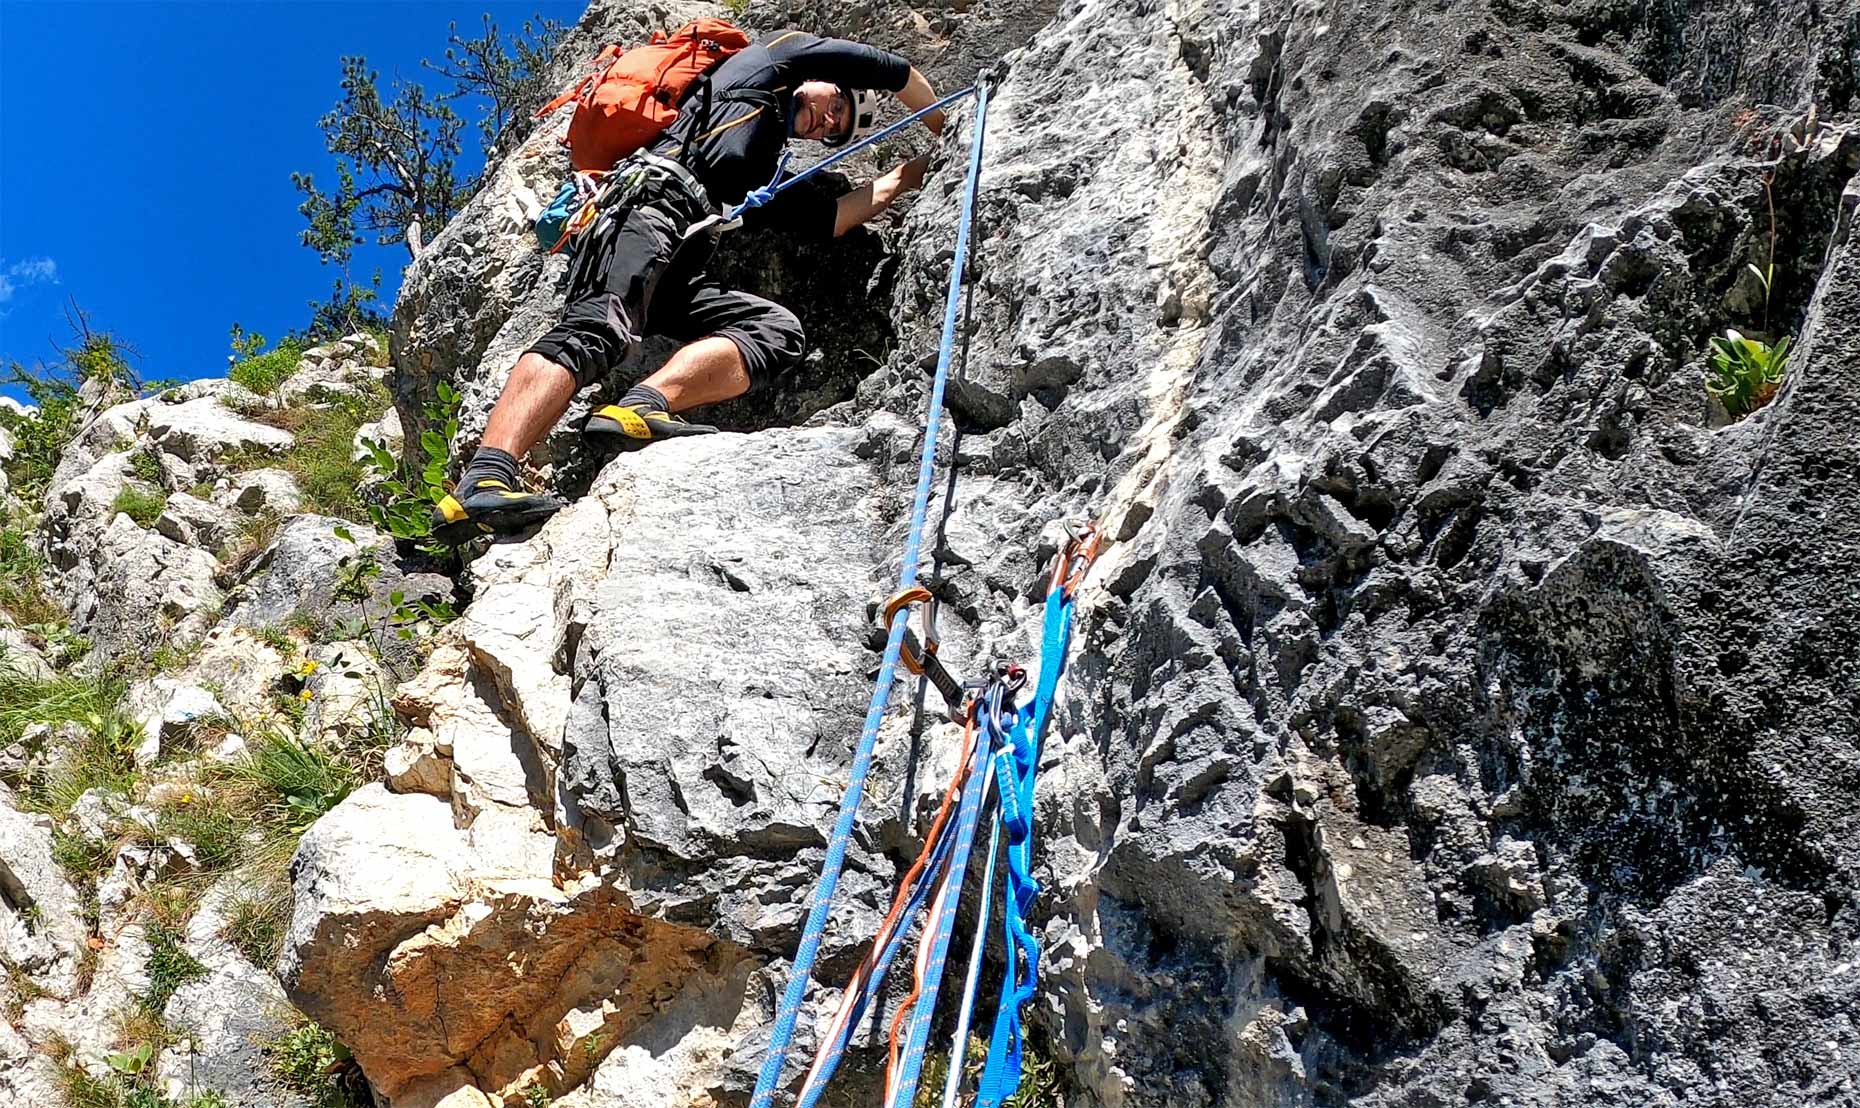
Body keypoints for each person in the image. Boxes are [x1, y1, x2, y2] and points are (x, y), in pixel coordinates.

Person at [431, 30, 946, 544]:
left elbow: (830, 218)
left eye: (838, 131)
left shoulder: (763, 160)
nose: (832, 120)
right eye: (839, 101)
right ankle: (485, 477)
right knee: (594, 330)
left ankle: (644, 405)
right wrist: (947, 122)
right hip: (642, 208)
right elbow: (886, 66)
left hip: (676, 254)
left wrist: (921, 170)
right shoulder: (761, 67)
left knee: (774, 331)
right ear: (819, 80)